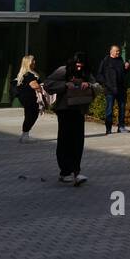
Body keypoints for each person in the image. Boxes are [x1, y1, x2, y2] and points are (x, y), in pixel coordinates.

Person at [44, 53, 96, 186]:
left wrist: (89, 85)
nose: (79, 67)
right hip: (64, 110)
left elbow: (98, 86)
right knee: (64, 140)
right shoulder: (63, 70)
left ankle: (76, 171)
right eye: (77, 64)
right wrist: (65, 85)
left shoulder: (86, 73)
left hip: (79, 110)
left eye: (82, 64)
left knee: (78, 142)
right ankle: (65, 172)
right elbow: (48, 84)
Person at [98, 44, 130, 135]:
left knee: (122, 109)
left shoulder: (120, 60)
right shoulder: (106, 61)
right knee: (109, 110)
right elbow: (99, 75)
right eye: (116, 51)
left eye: (119, 51)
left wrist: (126, 68)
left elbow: (123, 73)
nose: (118, 52)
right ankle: (108, 129)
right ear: (111, 52)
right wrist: (106, 84)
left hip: (121, 89)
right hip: (110, 90)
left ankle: (121, 127)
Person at [14, 55, 43, 144]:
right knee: (32, 115)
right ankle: (25, 136)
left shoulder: (24, 73)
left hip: (25, 98)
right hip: (30, 98)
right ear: (28, 63)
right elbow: (35, 86)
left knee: (28, 115)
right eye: (33, 60)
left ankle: (24, 135)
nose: (34, 62)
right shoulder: (29, 74)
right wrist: (42, 88)